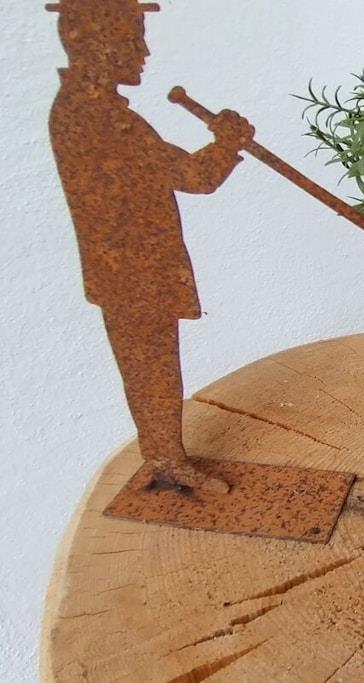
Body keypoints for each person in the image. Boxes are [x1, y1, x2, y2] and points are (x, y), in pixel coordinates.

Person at [48, 0, 254, 493]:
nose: (143, 50)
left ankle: (164, 456)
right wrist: (228, 143)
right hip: (134, 273)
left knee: (150, 367)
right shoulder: (97, 118)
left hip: (127, 270)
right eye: (132, 36)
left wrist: (225, 144)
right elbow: (193, 176)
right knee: (152, 368)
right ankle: (166, 460)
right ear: (96, 42)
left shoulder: (85, 110)